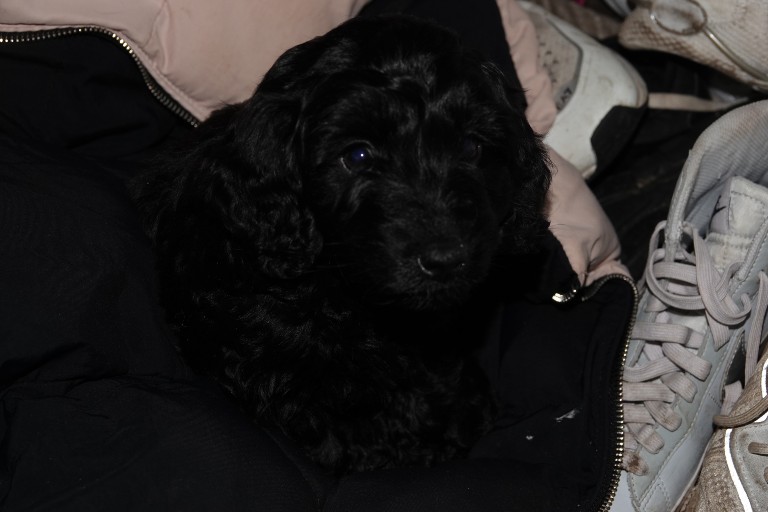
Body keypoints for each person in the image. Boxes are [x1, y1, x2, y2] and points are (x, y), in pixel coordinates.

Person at [0, 1, 635, 510]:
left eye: (468, 149)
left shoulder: (484, 207)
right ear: (288, 175)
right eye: (359, 158)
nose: (439, 229)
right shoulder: (255, 260)